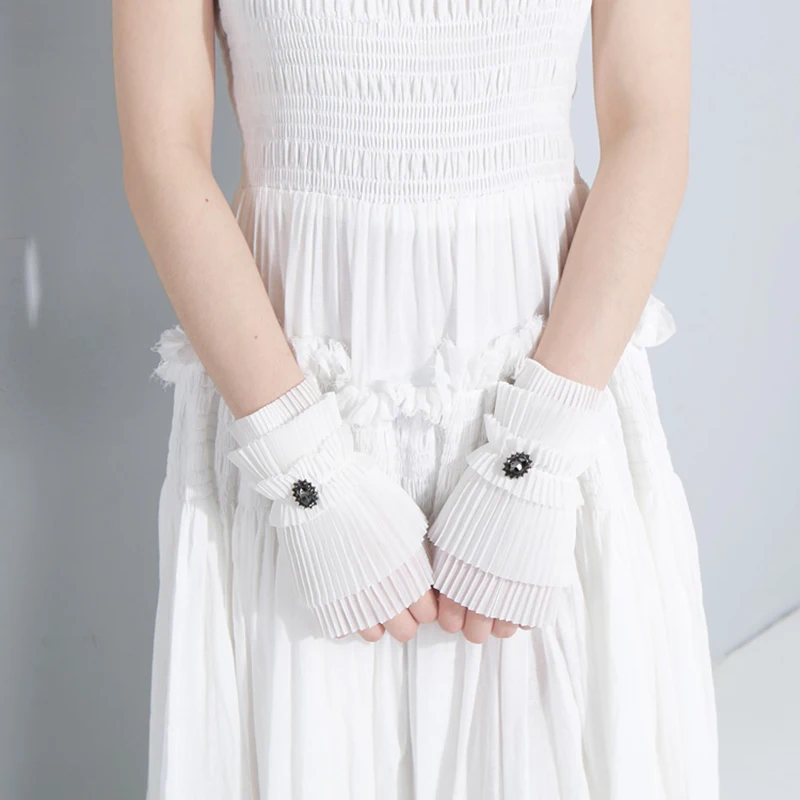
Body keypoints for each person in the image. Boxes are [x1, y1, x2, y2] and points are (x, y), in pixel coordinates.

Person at [112, 0, 719, 797]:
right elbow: (162, 151)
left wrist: (534, 454)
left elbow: (650, 125)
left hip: (553, 382)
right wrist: (307, 473)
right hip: (287, 397)